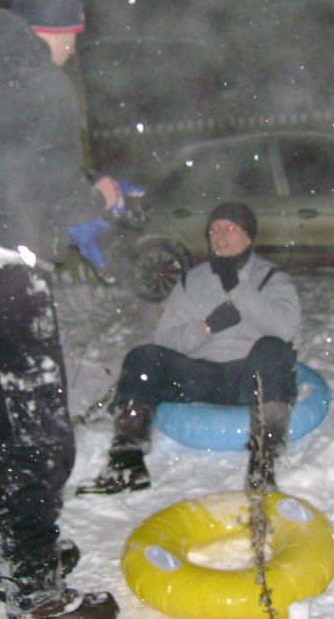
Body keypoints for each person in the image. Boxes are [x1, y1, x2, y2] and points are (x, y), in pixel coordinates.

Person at [0, 0, 119, 618]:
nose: (74, 51)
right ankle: (37, 597)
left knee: (10, 430)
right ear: (56, 33)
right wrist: (101, 196)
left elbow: (3, 178)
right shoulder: (43, 83)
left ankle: (25, 552)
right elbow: (55, 192)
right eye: (73, 37)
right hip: (12, 283)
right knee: (40, 439)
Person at [77, 202, 302, 496]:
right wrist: (206, 328)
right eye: (214, 229)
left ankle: (263, 464)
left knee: (274, 350)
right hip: (200, 375)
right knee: (143, 357)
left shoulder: (273, 279)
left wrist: (239, 291)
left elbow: (286, 329)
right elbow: (165, 340)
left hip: (248, 378)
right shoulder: (191, 281)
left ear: (249, 236)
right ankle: (126, 462)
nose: (219, 235)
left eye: (229, 228)